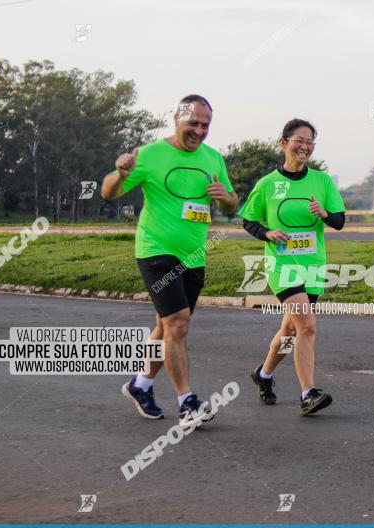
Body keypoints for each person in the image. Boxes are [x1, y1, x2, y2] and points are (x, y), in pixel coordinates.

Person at [100, 94, 238, 427]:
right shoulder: (148, 155)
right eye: (193, 123)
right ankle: (188, 403)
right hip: (155, 249)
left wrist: (227, 199)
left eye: (206, 125)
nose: (200, 131)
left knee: (165, 327)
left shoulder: (213, 159)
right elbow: (108, 192)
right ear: (176, 118)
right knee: (177, 323)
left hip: (194, 254)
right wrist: (120, 174)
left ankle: (140, 385)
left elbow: (232, 206)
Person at [239, 118, 345, 415]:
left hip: (313, 265)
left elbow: (339, 221)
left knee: (291, 331)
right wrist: (267, 233)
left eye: (310, 142)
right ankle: (308, 393)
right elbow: (249, 219)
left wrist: (324, 213)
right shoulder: (267, 184)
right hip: (281, 264)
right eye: (299, 140)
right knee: (307, 326)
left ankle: (263, 374)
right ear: (283, 142)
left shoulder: (322, 182)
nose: (305, 146)